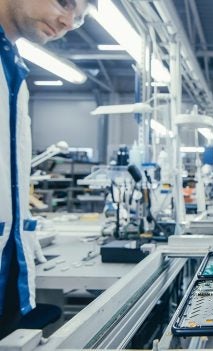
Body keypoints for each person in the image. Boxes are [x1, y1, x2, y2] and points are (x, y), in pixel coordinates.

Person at [0, 0, 94, 338]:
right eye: (64, 2)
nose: (69, 21)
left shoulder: (15, 71)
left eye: (80, 18)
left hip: (8, 278)